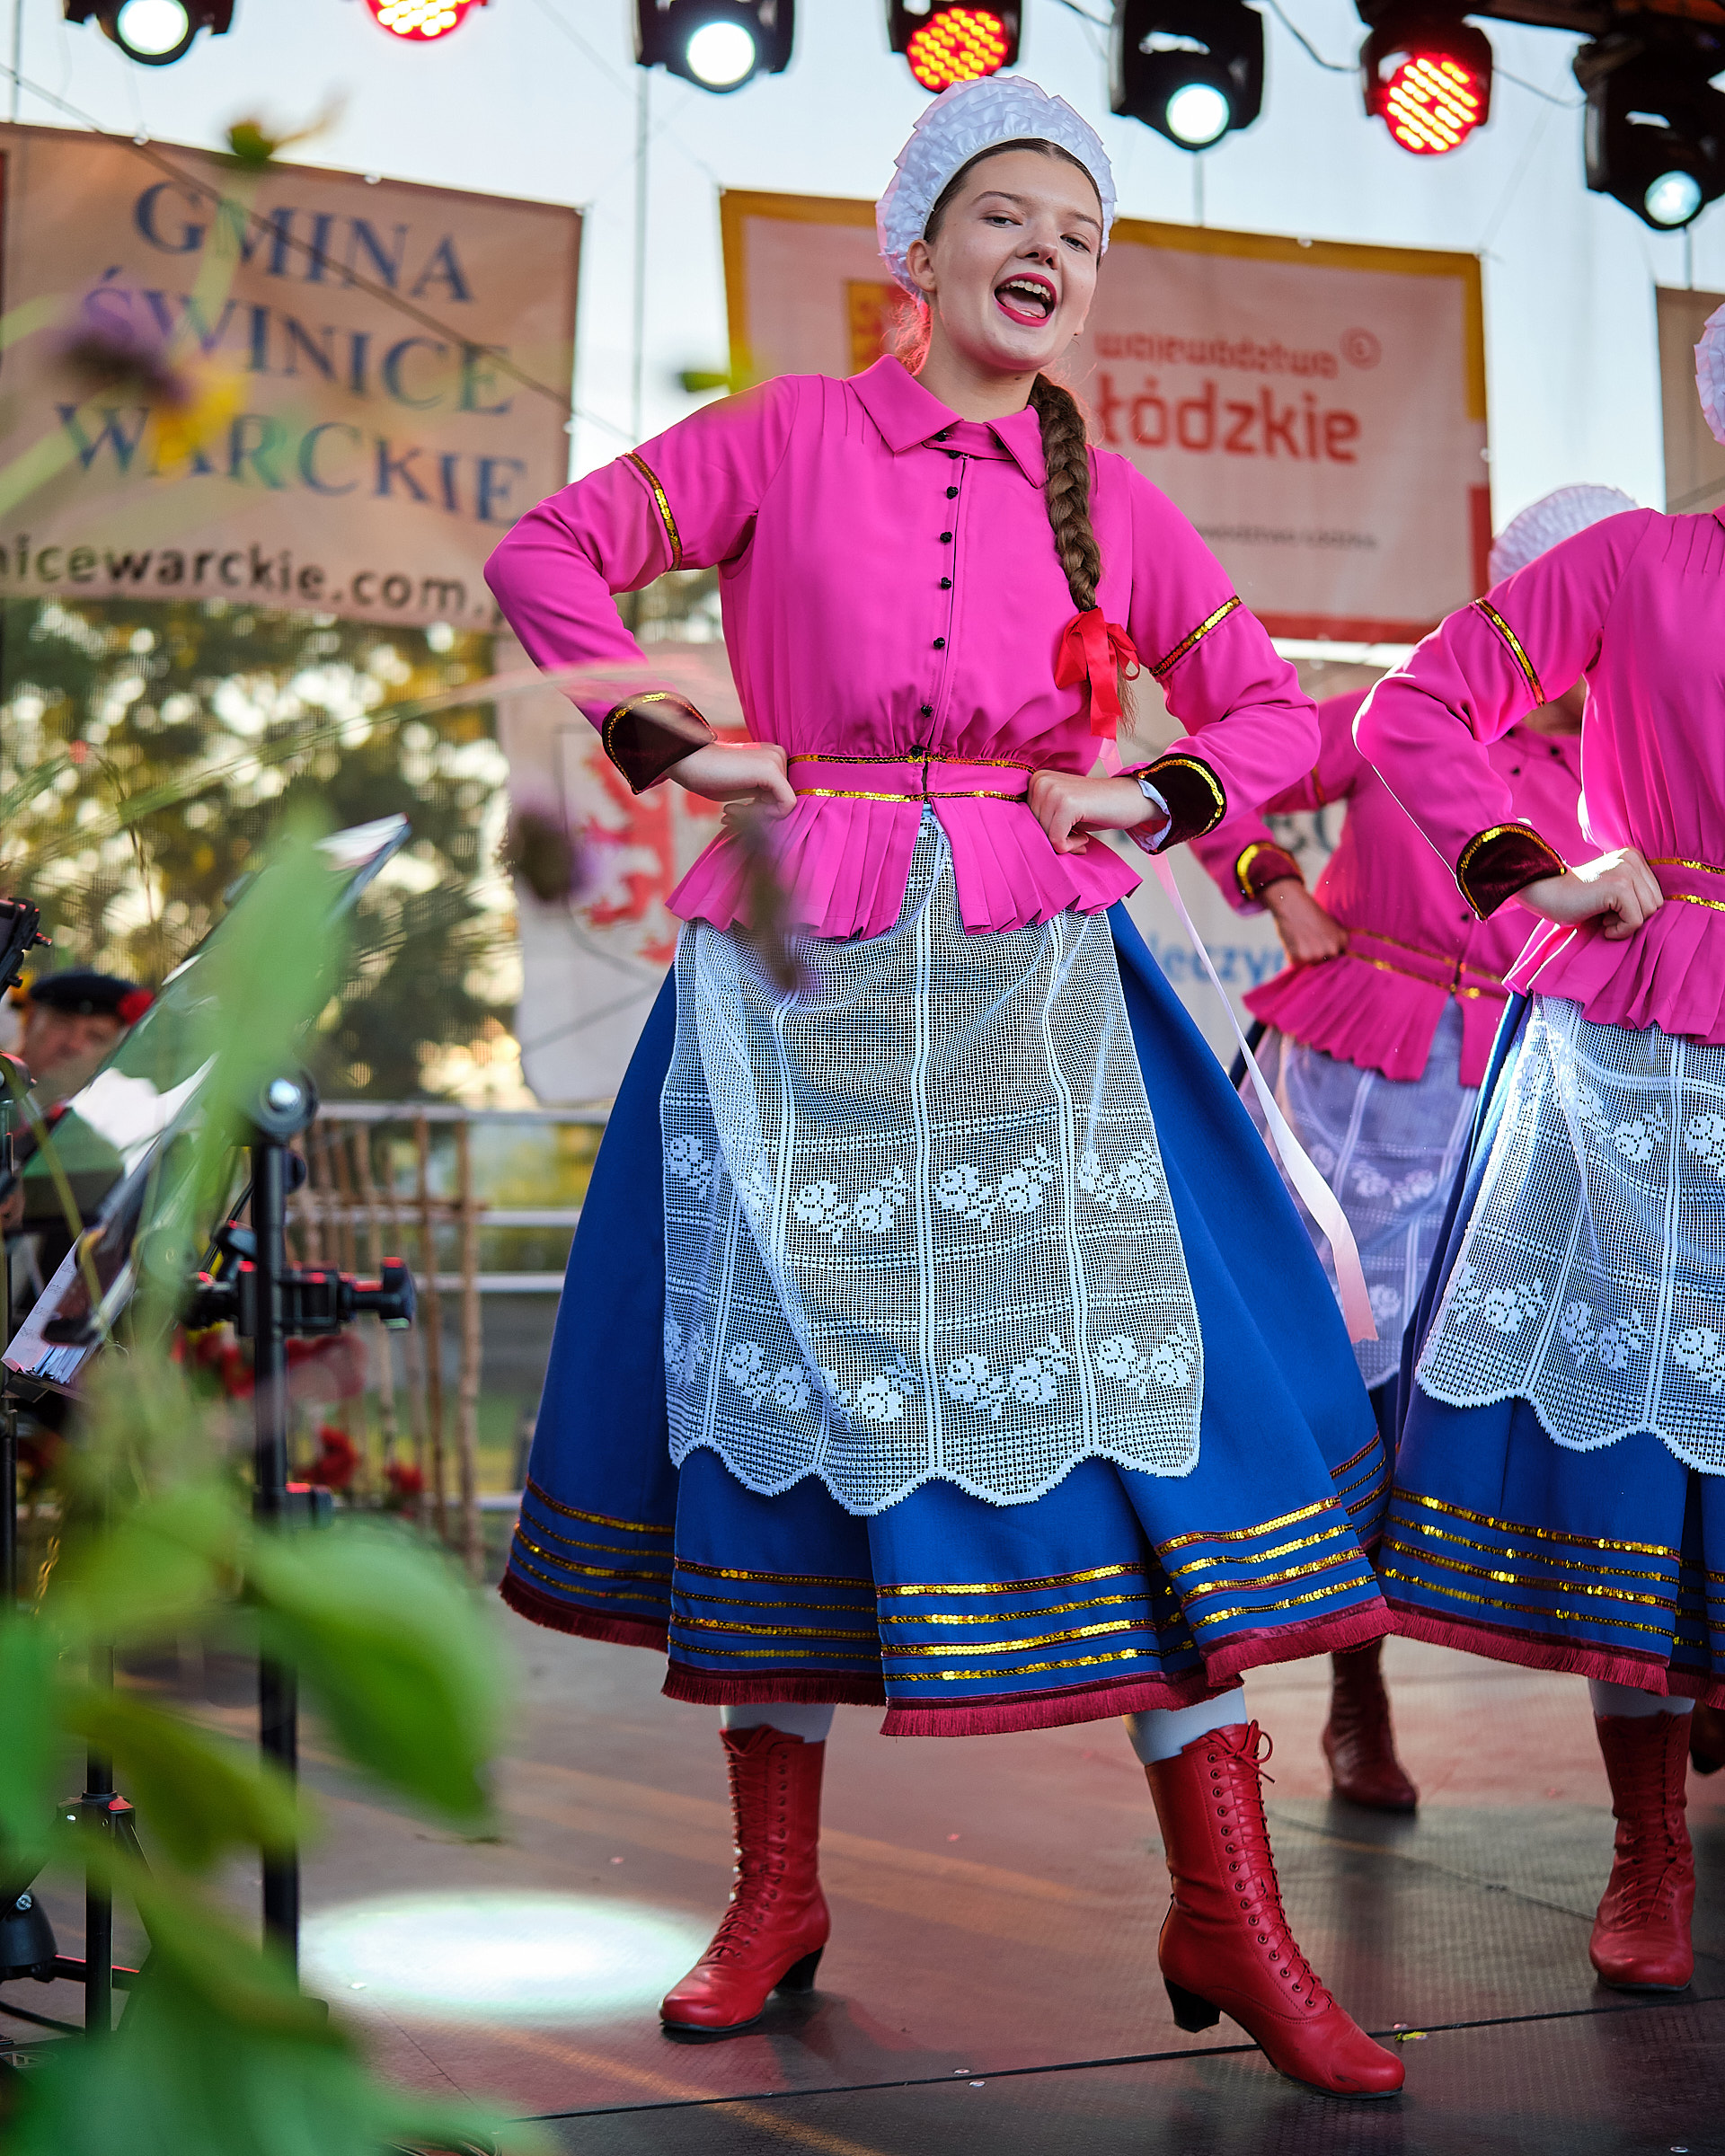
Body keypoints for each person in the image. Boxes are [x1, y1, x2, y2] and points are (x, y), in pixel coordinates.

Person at [486, 80, 1402, 2098]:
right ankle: (776, 1893)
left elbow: (1264, 711)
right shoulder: (782, 435)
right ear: (917, 248)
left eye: (1078, 232)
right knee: (787, 1406)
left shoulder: (1112, 498)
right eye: (1006, 214)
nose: (1045, 251)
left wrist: (1144, 793)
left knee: (1129, 1419)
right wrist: (664, 727)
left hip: (1027, 987)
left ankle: (1230, 1909)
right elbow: (544, 548)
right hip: (796, 978)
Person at [1353, 349, 1725, 1994]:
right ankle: (1649, 1850)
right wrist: (1541, 870)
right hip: (1642, 1038)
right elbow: (1415, 706)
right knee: (1640, 1445)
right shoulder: (1635, 561)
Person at [1190, 490, 1626, 1811]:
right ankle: (1355, 1689)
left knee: (1547, 1361)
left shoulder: (1619, 760)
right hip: (1356, 1073)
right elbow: (1223, 783)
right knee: (1349, 1361)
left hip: (1524, 1080)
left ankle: (1668, 1667)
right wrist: (1274, 884)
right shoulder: (1406, 715)